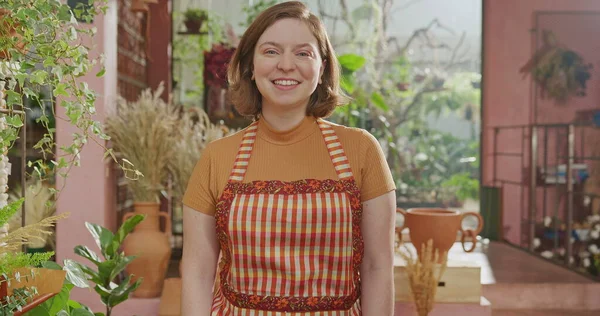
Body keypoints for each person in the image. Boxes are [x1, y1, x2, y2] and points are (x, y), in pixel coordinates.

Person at [181, 1, 396, 315]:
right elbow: (197, 272)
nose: (285, 65)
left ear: (321, 67)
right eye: (270, 51)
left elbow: (378, 267)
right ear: (250, 67)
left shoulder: (362, 150)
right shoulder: (217, 157)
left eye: (302, 53)